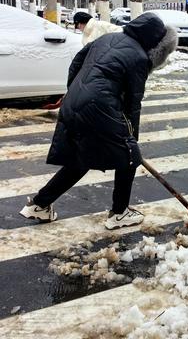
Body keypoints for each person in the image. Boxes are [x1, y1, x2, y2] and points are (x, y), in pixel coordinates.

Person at [20, 12, 178, 229]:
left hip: (73, 102)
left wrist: (77, 91)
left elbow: (76, 63)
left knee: (80, 160)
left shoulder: (106, 39)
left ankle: (39, 204)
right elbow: (133, 103)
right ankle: (120, 213)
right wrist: (131, 137)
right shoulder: (140, 58)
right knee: (130, 157)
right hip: (98, 109)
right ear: (155, 42)